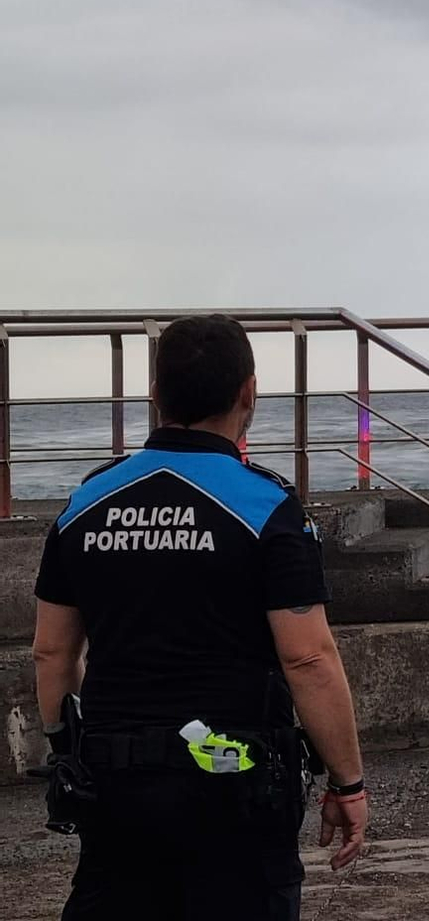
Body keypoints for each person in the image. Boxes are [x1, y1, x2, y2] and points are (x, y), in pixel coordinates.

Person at [31, 314, 367, 920]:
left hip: (115, 782)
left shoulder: (86, 502)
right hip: (235, 780)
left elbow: (52, 653)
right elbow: (308, 656)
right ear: (249, 392)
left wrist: (66, 751)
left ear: (155, 394)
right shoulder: (268, 505)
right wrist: (347, 783)